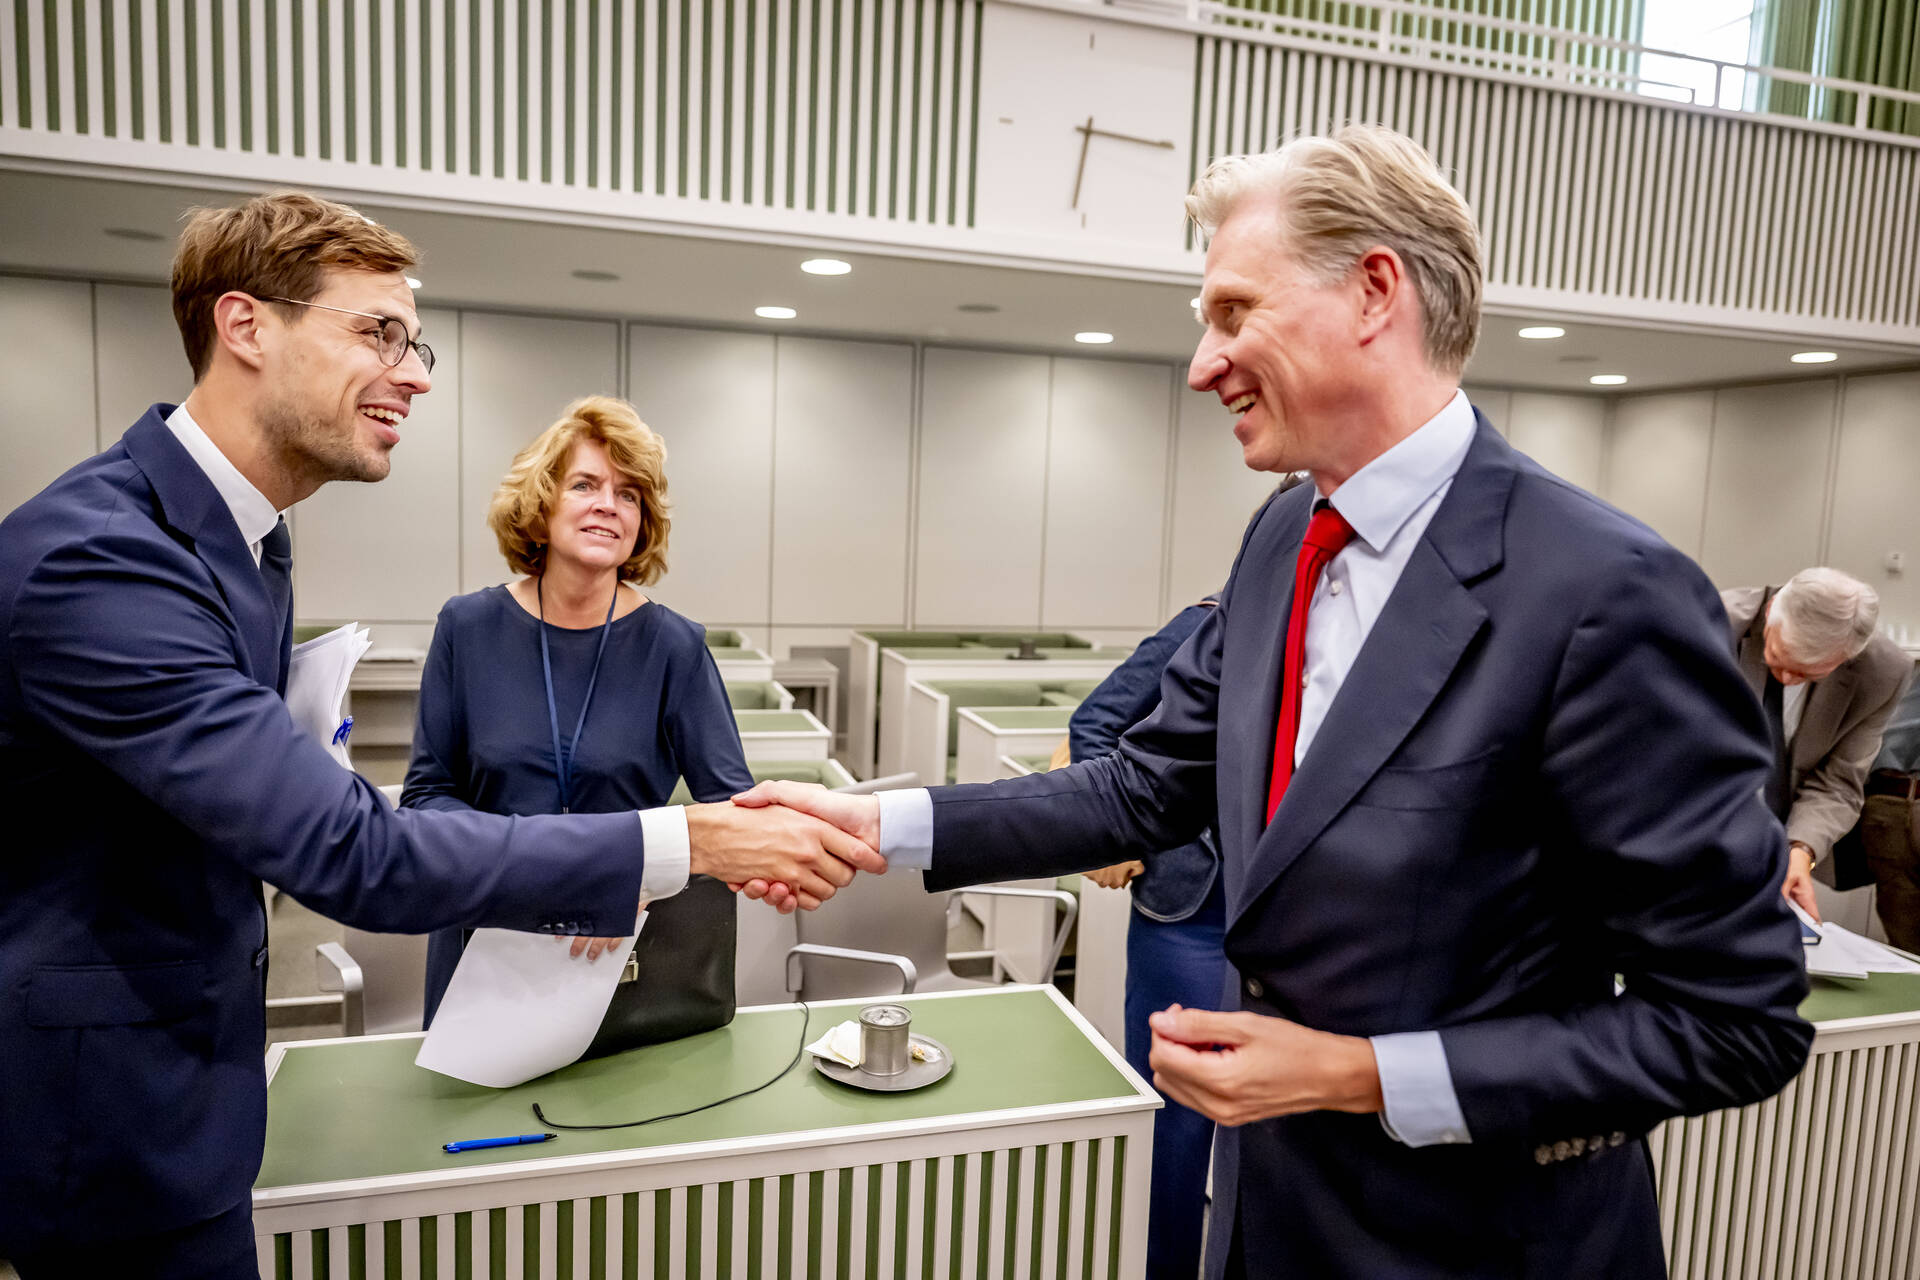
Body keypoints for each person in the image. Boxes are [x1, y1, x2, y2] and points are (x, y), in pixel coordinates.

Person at [735, 126, 1812, 1278]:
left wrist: (1358, 1071)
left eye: (1235, 312)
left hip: (1480, 1244)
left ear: (1374, 293)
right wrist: (880, 822)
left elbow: (1734, 1020)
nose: (1203, 363)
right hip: (1265, 1220)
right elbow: (1148, 781)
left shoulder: (1608, 591)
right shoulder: (1282, 534)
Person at [0, 191, 875, 1276]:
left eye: (416, 344)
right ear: (245, 326)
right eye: (379, 333)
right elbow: (362, 850)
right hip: (110, 1127)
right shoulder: (107, 560)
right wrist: (683, 845)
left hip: (189, 1095)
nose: (414, 373)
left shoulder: (249, 547)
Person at [409, 396, 754, 1023]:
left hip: (621, 957)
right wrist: (518, 870)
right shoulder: (468, 626)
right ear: (540, 509)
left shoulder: (675, 646)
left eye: (629, 494)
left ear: (641, 522)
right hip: (488, 935)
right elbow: (428, 795)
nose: (608, 505)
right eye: (585, 484)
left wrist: (643, 880)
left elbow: (733, 813)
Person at [1072, 593, 1226, 1280]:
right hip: (1190, 911)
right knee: (1176, 1123)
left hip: (1293, 915)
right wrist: (1121, 833)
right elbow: (1097, 720)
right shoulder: (1210, 620)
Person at [1722, 570, 1913, 922]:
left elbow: (1839, 781)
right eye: (1779, 659)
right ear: (1771, 612)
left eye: (1809, 673)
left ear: (1847, 657)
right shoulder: (1711, 625)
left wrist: (1800, 851)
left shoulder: (1883, 671)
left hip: (1775, 838)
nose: (1789, 679)